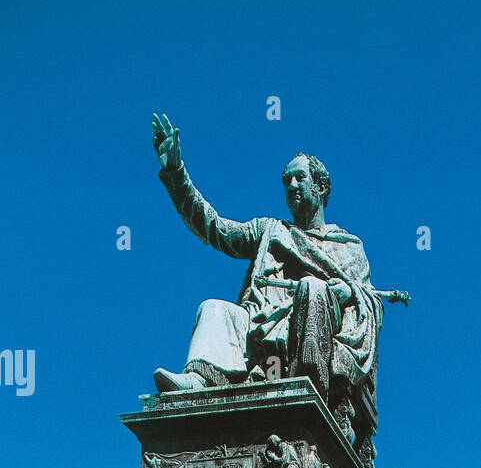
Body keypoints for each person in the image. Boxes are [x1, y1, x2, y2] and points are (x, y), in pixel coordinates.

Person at [150, 118, 383, 408]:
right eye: (286, 180)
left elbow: (371, 302)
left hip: (312, 328)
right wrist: (176, 173)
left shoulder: (348, 245)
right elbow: (215, 228)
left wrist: (348, 293)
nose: (291, 185)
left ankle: (309, 385)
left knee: (311, 288)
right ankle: (199, 380)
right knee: (213, 308)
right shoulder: (269, 229)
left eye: (299, 178)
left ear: (321, 187)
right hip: (261, 321)